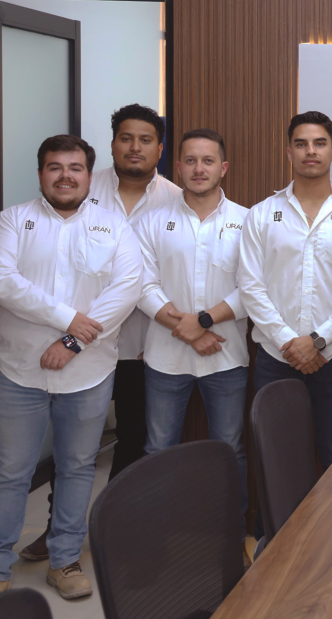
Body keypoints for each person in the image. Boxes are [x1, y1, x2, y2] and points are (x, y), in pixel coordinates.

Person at [0, 136, 142, 603]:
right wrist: (68, 319)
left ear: (89, 175)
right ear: (41, 174)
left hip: (88, 372)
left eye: (75, 167)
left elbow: (126, 290)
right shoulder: (12, 221)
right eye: (55, 167)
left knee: (77, 467)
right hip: (18, 370)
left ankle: (63, 561)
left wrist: (72, 341)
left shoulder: (114, 227)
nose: (65, 175)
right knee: (10, 472)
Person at [19, 103, 180, 563]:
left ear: (159, 148)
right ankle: (56, 532)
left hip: (142, 346)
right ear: (112, 144)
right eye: (126, 138)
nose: (135, 147)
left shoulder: (175, 198)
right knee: (72, 447)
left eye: (145, 140)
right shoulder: (84, 188)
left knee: (132, 440)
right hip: (80, 346)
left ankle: (116, 530)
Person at [134, 129, 250, 540]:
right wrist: (190, 330)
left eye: (208, 161)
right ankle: (158, 539)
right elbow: (141, 285)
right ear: (178, 167)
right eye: (190, 160)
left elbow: (252, 288)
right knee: (157, 449)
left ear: (223, 167)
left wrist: (201, 322)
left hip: (227, 357)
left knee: (230, 450)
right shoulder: (152, 222)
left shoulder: (247, 221)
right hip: (164, 356)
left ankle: (230, 536)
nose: (199, 169)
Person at [238, 111, 332, 471]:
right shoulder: (261, 214)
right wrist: (289, 342)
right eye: (301, 144)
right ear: (289, 152)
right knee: (277, 460)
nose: (311, 151)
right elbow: (250, 286)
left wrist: (319, 341)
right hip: (275, 358)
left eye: (319, 143)